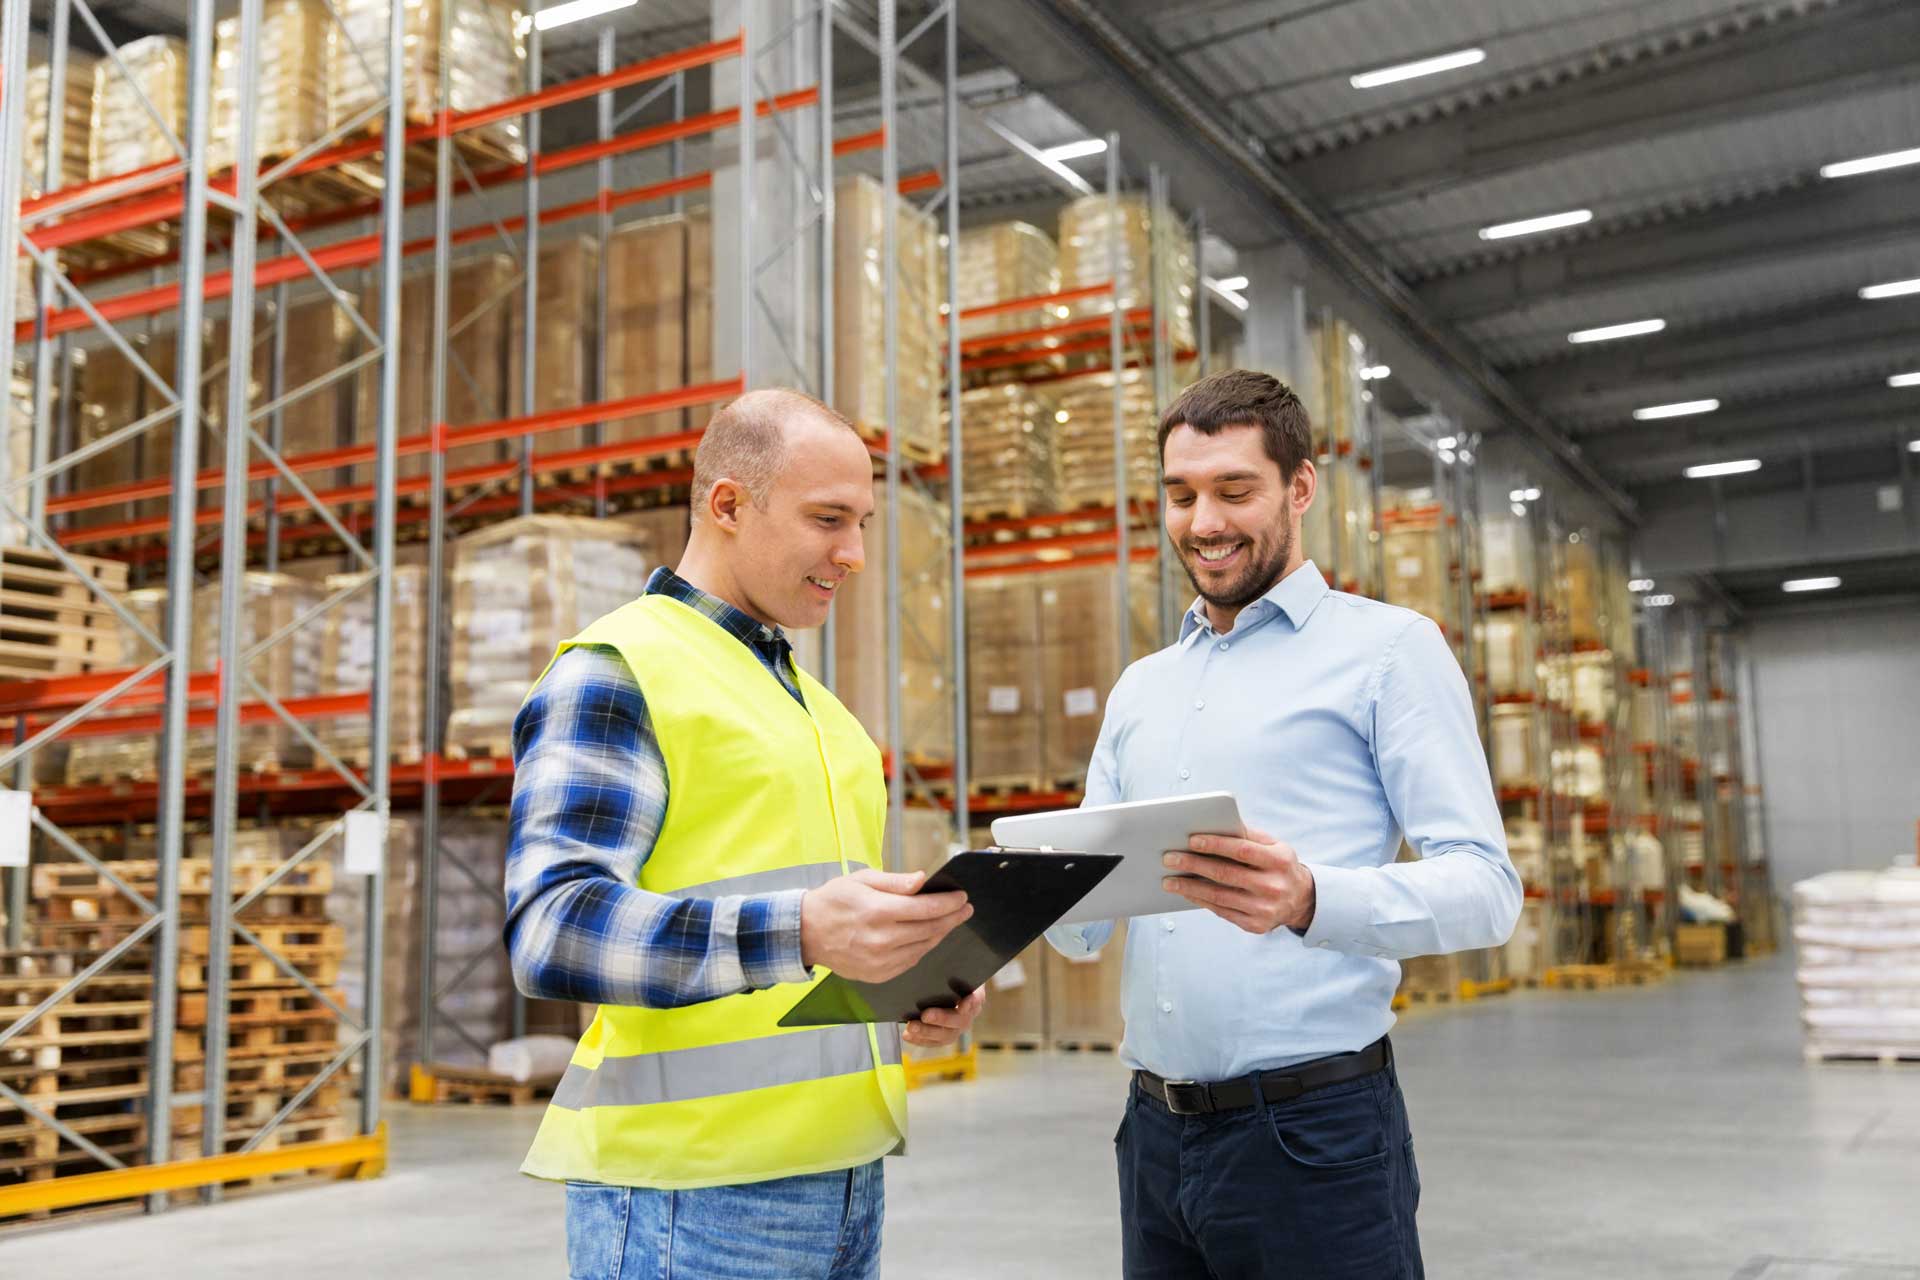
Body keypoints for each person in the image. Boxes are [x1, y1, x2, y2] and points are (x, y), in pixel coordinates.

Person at [1047, 368, 1521, 1279]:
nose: (1204, 522)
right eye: (1181, 495)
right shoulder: (1143, 687)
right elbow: (1083, 925)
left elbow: (1487, 890)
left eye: (1235, 490)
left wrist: (1312, 899)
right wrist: (994, 912)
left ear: (1300, 487)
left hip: (1313, 1138)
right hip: (1152, 1139)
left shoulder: (1388, 652)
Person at [504, 388, 985, 1280]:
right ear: (727, 505)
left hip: (843, 1175)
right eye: (828, 519)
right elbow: (552, 928)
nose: (855, 554)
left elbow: (816, 931)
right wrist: (804, 929)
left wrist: (914, 980)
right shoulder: (620, 671)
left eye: (864, 522)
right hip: (688, 1194)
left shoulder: (820, 712)